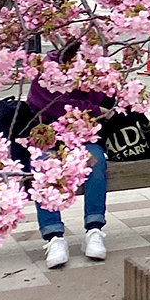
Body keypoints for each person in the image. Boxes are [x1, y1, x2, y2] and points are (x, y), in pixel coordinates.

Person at [26, 42, 111, 268]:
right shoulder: (49, 69)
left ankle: (94, 229)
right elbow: (52, 106)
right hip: (48, 135)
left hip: (83, 136)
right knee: (43, 167)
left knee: (96, 162)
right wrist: (93, 110)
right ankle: (53, 235)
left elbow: (105, 99)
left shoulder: (95, 72)